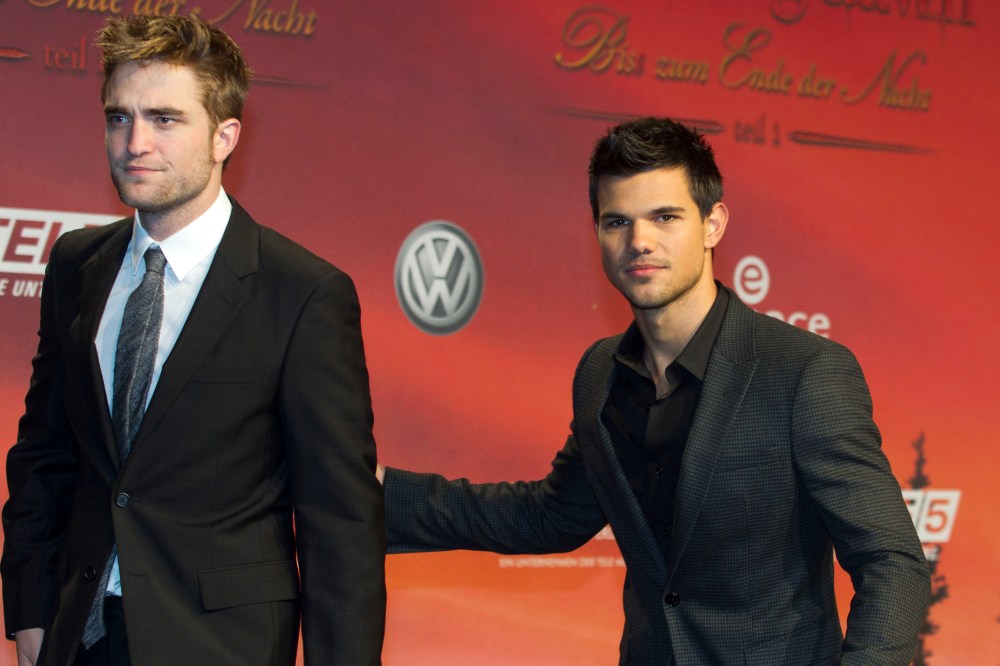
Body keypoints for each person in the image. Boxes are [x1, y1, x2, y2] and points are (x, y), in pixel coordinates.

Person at [379, 117, 930, 665]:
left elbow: (892, 561)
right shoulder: (600, 374)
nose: (639, 241)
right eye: (617, 221)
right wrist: (373, 490)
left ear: (712, 224)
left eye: (665, 217)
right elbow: (552, 516)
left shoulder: (803, 371)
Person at [1, 15, 385, 666]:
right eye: (119, 117)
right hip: (79, 636)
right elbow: (44, 456)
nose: (135, 143)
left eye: (164, 119)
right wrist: (31, 612)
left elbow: (338, 519)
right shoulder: (75, 265)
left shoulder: (302, 293)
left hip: (220, 645)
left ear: (224, 136)